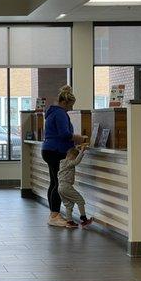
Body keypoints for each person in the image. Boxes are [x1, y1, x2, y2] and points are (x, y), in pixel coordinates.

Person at [41, 85, 86, 227]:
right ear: (65, 102)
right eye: (70, 106)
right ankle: (54, 215)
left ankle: (53, 214)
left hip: (49, 150)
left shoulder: (52, 113)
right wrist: (78, 138)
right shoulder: (60, 113)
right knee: (58, 184)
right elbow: (64, 134)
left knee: (54, 182)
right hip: (56, 151)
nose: (71, 109)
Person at [57, 145, 94, 228]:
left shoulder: (62, 162)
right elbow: (76, 162)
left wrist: (76, 150)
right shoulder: (68, 162)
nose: (74, 159)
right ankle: (84, 219)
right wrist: (82, 152)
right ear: (70, 156)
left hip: (60, 187)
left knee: (68, 205)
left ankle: (69, 222)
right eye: (74, 157)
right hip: (66, 186)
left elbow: (74, 160)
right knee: (80, 200)